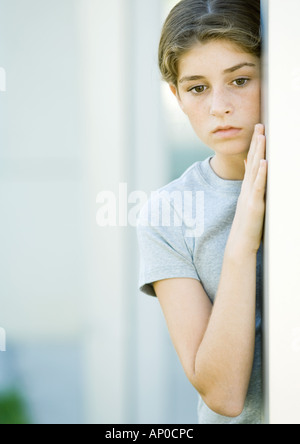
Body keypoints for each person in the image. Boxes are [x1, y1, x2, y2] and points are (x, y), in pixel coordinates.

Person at [137, 0, 267, 425]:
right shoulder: (166, 215)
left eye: (241, 79)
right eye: (198, 88)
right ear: (176, 95)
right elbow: (224, 395)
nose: (220, 106)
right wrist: (242, 241)